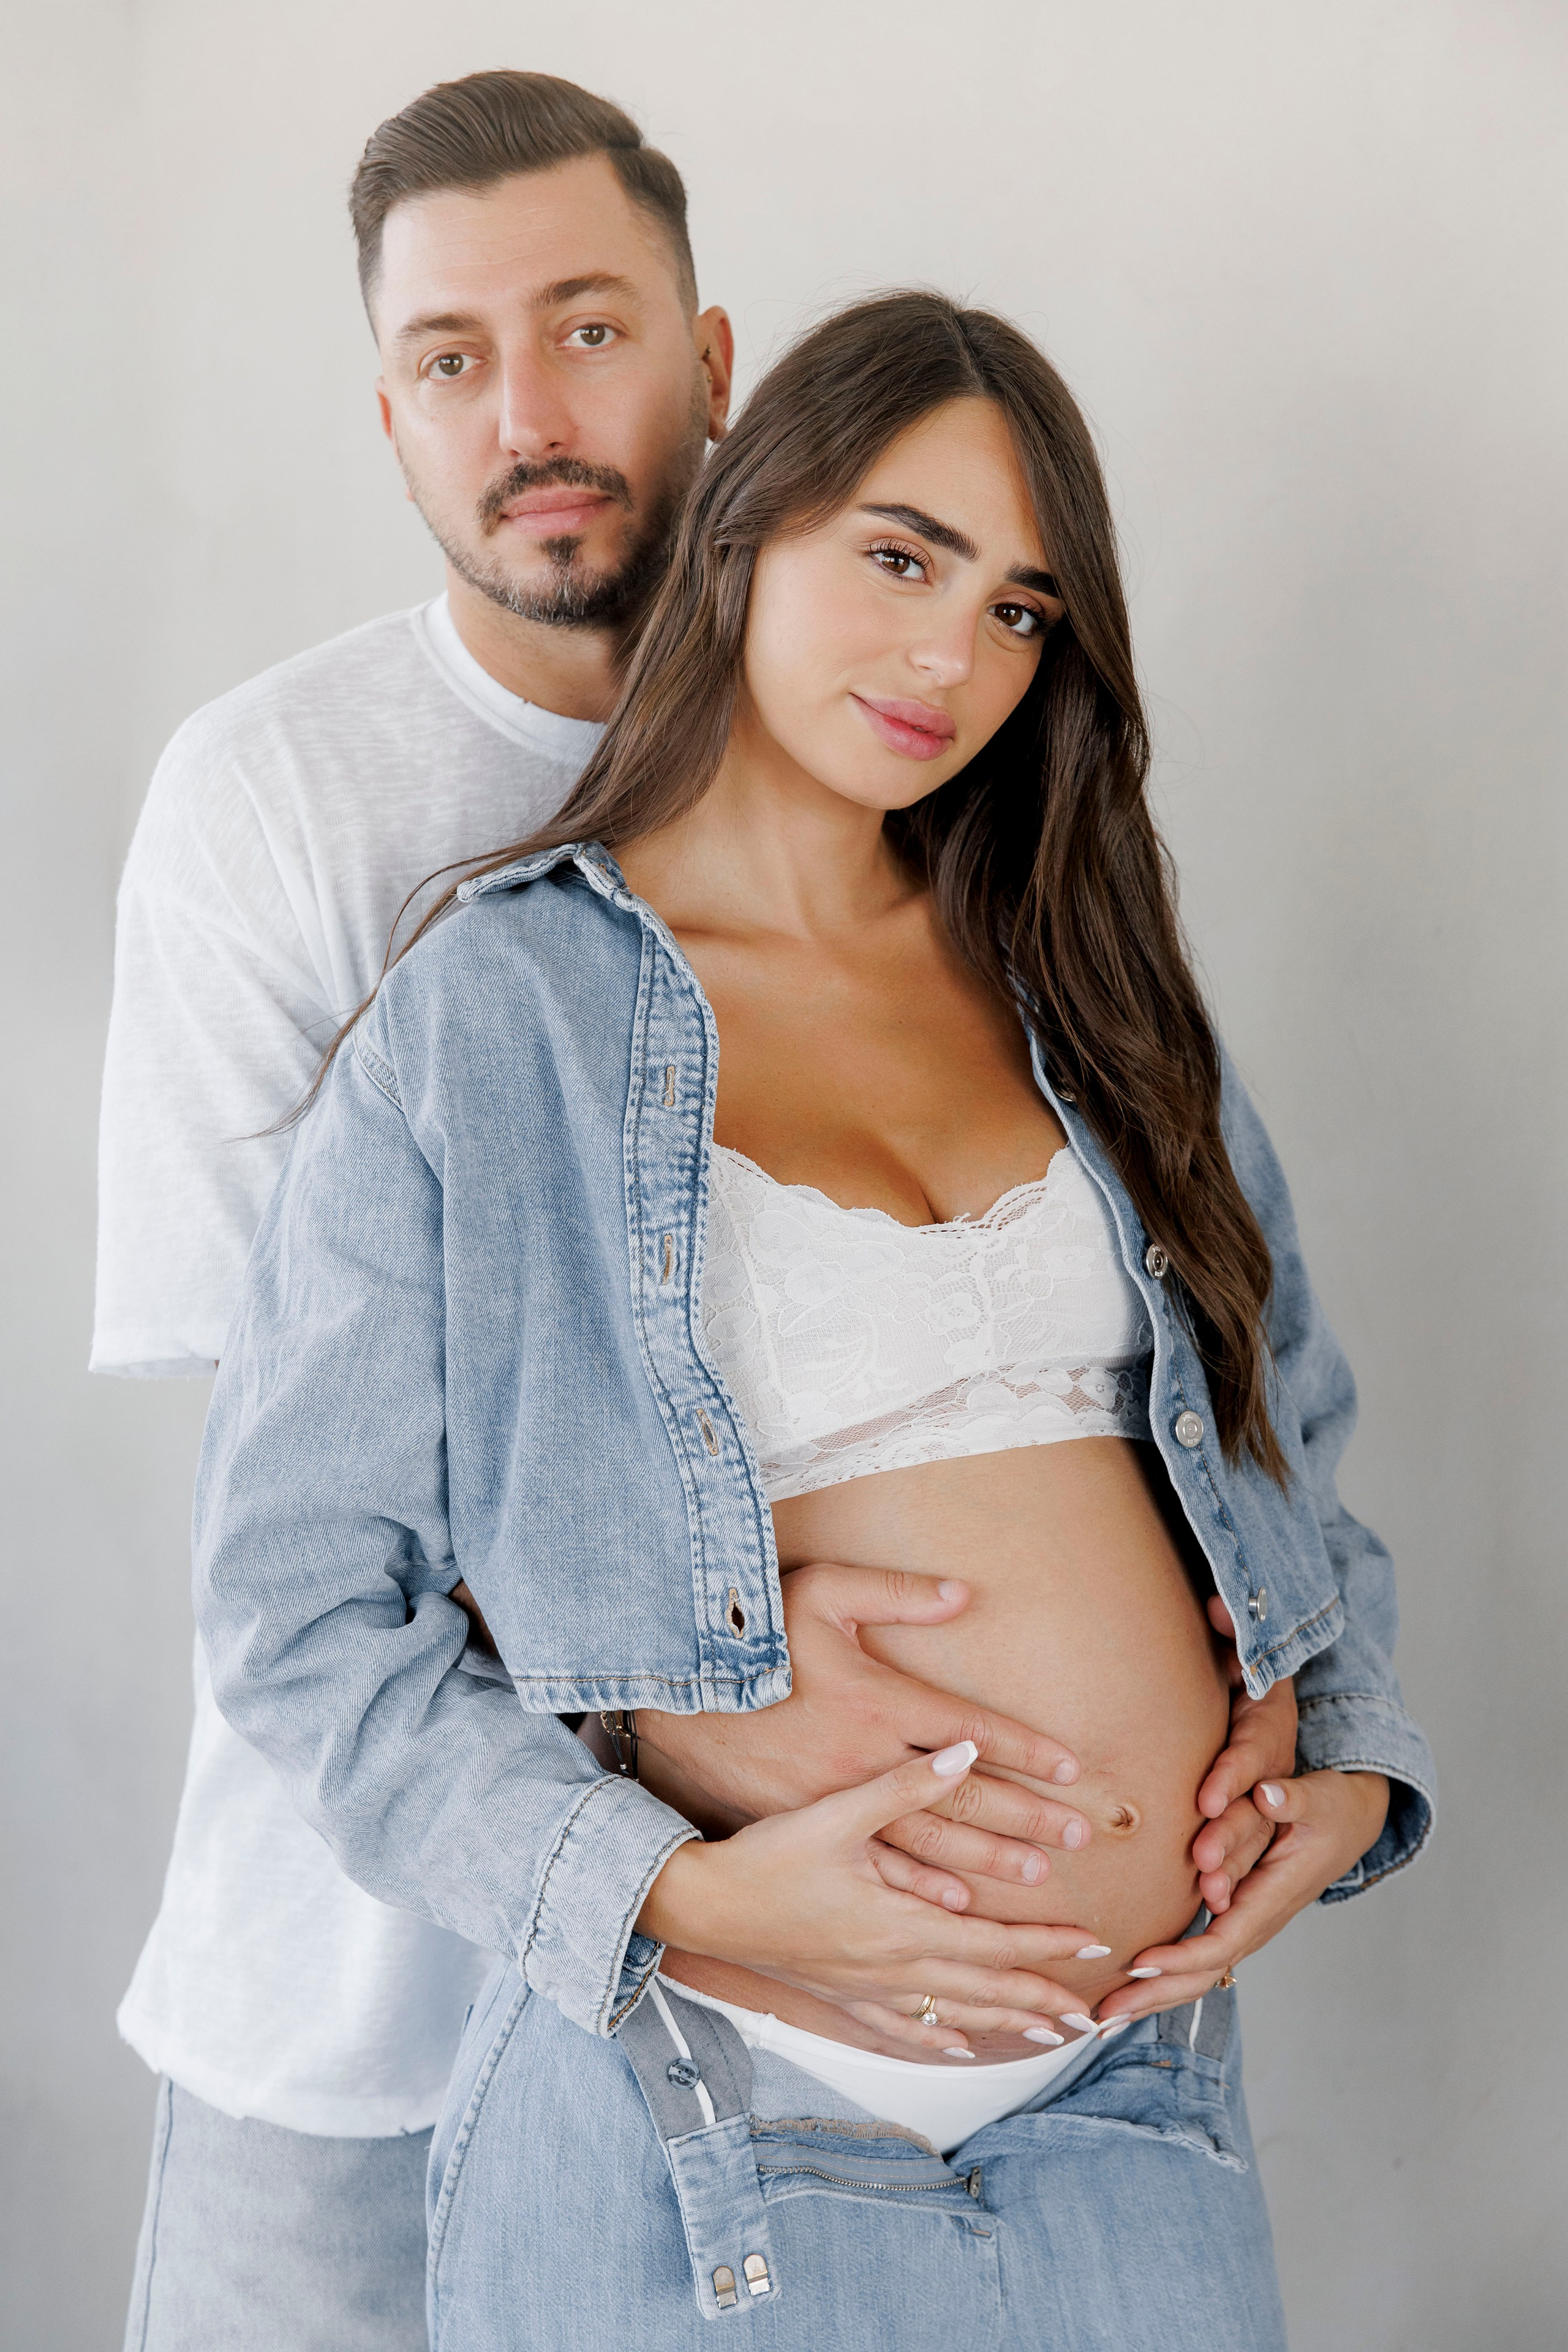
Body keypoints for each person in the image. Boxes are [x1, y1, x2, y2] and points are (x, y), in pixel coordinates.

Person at [95, 71, 1289, 2350]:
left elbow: (1250, 1412)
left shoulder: (1010, 915)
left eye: (590, 327)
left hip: (1095, 2075)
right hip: (412, 1995)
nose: (530, 410)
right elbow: (308, 1525)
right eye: (453, 357)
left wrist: (1335, 1754)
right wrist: (685, 1723)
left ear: (718, 378)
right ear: (388, 409)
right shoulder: (344, 855)